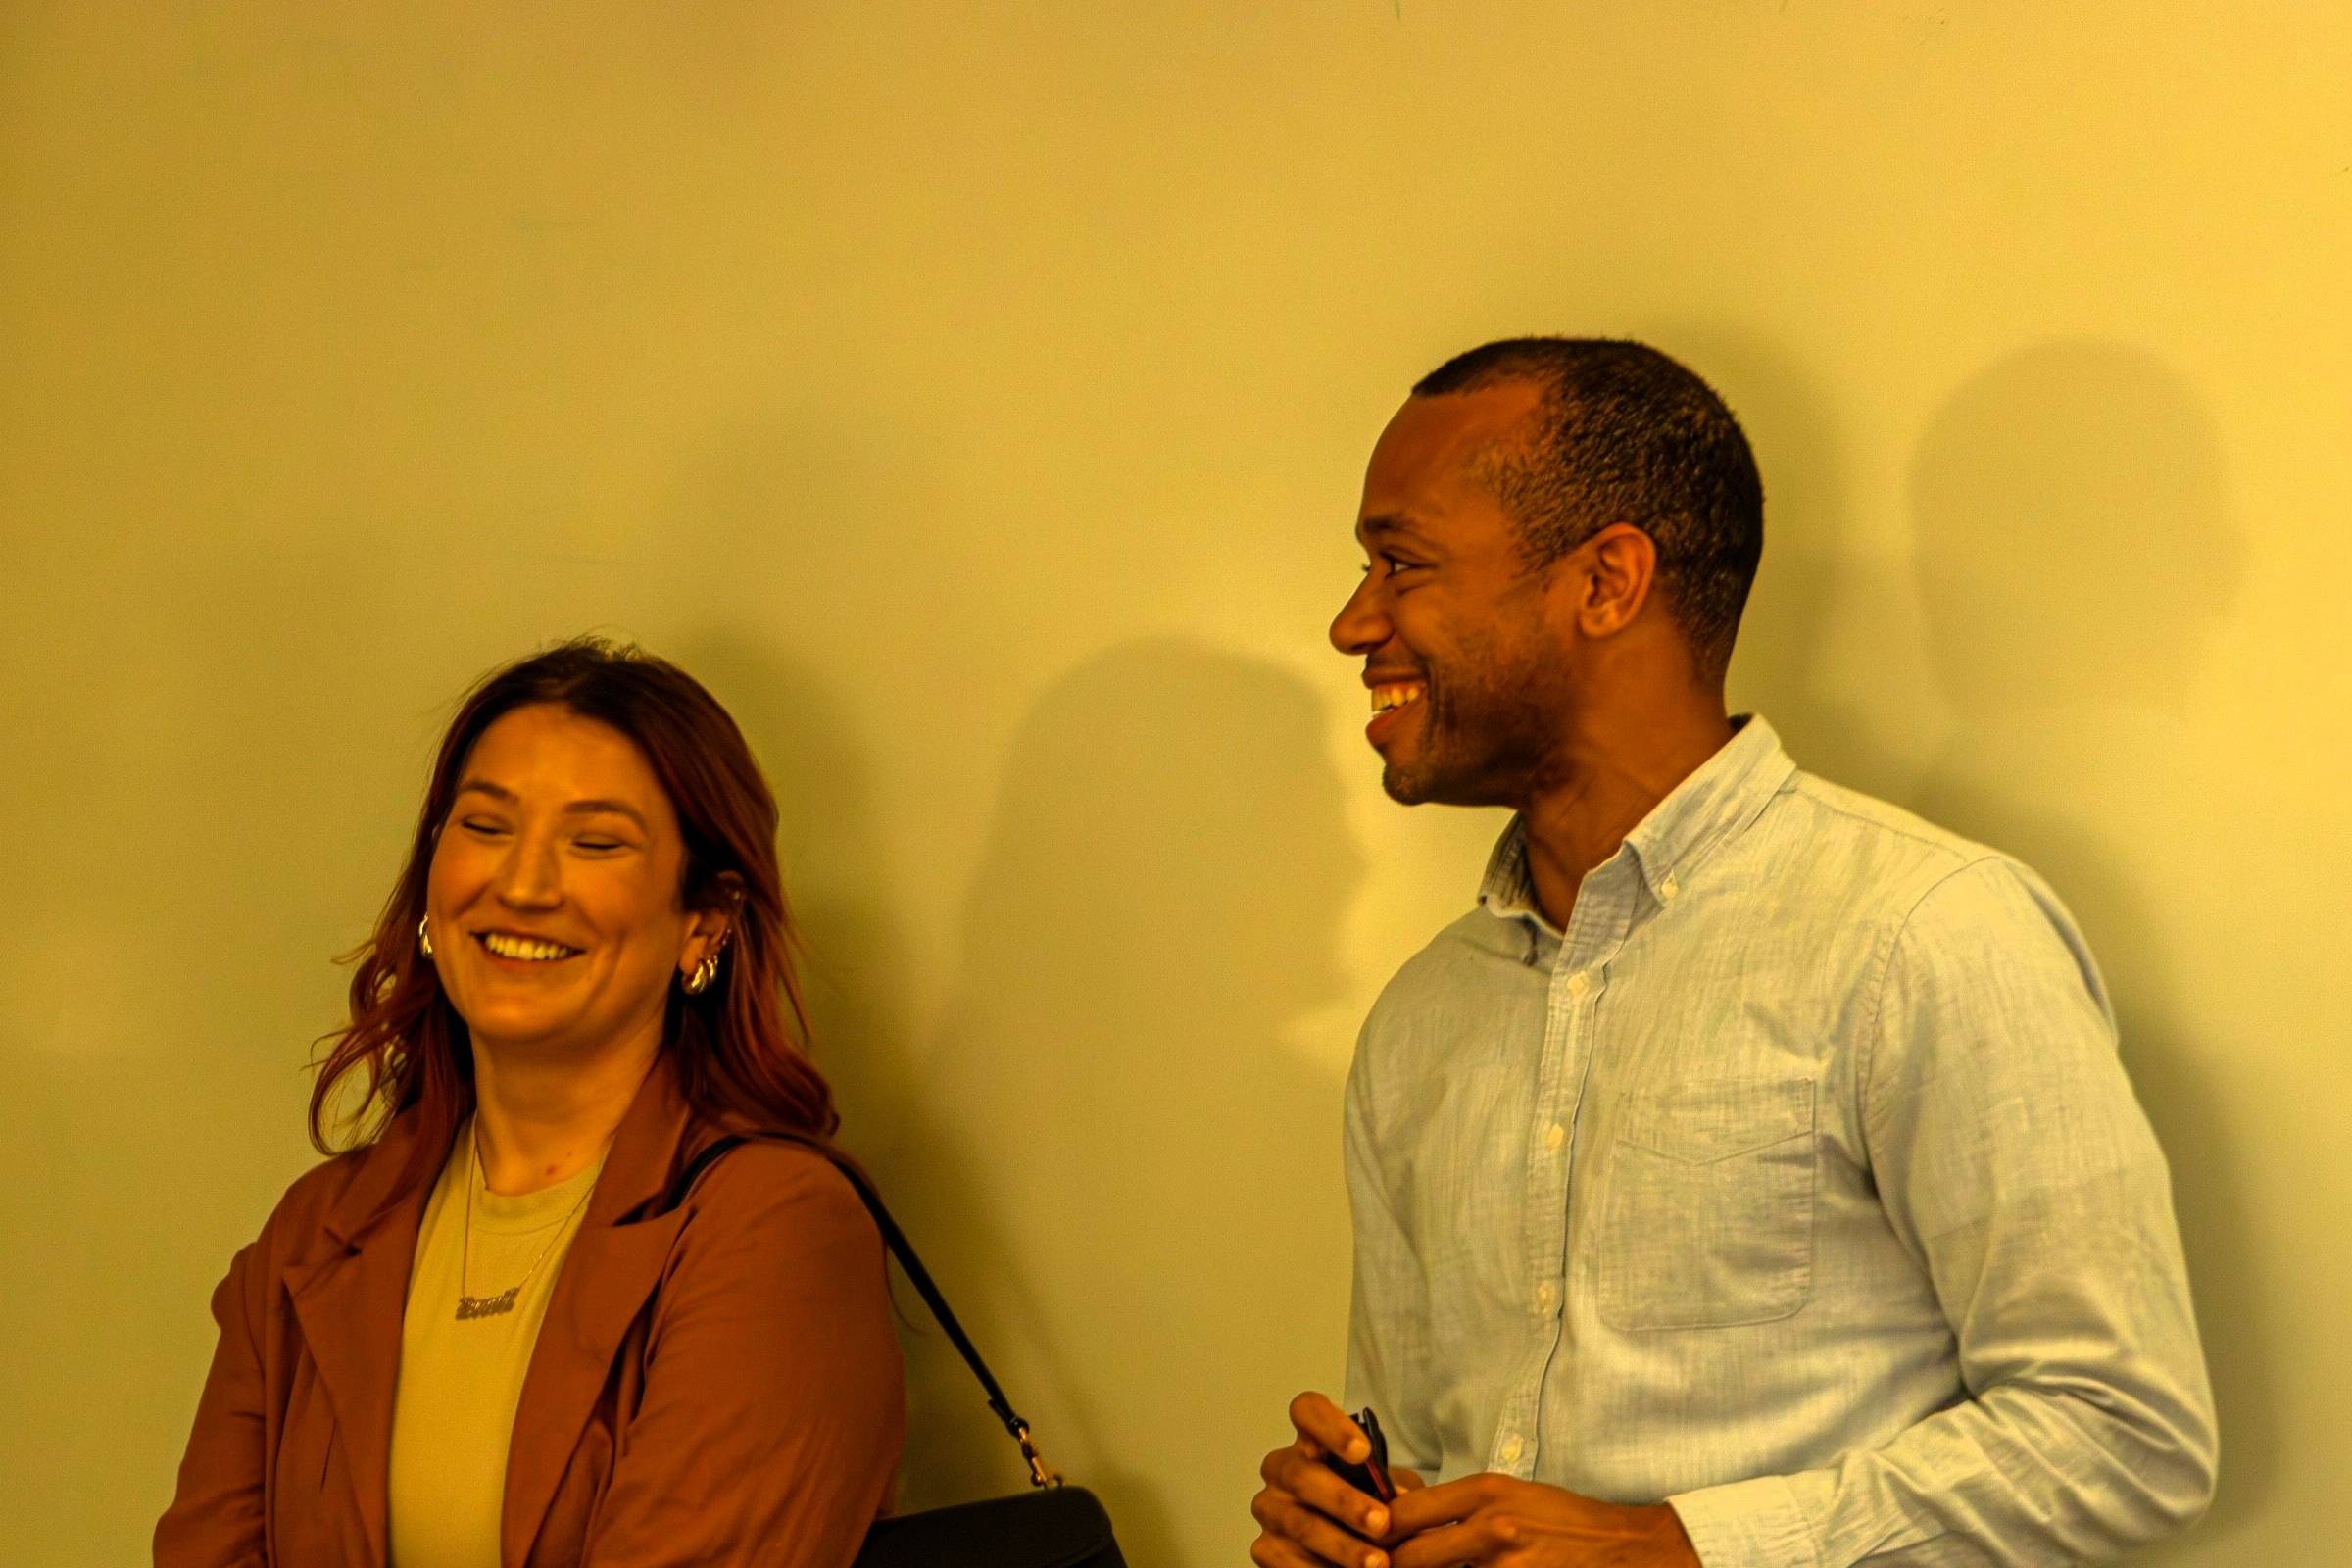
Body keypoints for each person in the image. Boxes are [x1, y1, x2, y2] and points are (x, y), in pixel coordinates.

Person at [1250, 340, 2217, 1568]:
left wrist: (1678, 1546)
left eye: (1403, 563)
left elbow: (2122, 1434)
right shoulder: (1424, 1017)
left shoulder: (1923, 934)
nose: (1353, 622)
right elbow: (1437, 1456)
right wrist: (1365, 1518)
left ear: (1608, 581)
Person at [157, 639, 904, 1567]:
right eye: (484, 827)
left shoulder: (773, 1228)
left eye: (595, 842)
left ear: (703, 922)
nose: (521, 884)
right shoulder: (314, 1235)